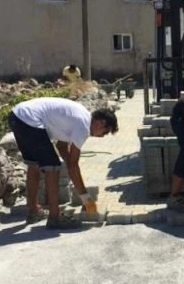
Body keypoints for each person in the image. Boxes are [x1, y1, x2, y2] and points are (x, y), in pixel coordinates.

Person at [8, 97, 118, 229]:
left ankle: (34, 212)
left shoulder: (78, 117)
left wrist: (72, 168)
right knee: (53, 168)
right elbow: (72, 166)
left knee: (34, 164)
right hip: (30, 119)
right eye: (105, 132)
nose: (102, 136)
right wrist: (86, 198)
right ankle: (55, 218)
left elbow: (61, 146)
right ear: (101, 123)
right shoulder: (83, 126)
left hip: (17, 116)